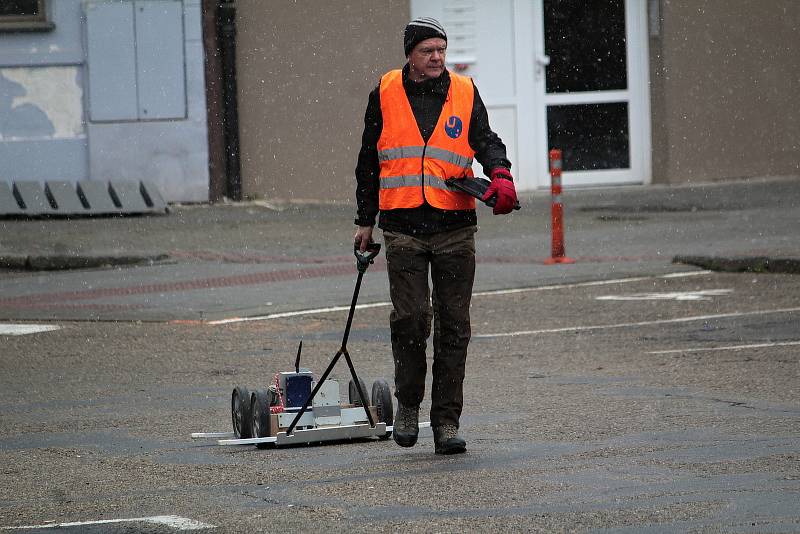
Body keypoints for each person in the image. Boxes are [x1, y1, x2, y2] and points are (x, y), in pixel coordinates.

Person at [353, 17, 517, 454]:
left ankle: (446, 422)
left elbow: (486, 140)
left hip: (454, 228)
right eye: (428, 50)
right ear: (410, 54)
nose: (437, 58)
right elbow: (369, 158)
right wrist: (364, 219)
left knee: (454, 327)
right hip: (403, 227)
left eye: (441, 50)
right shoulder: (385, 92)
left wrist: (500, 172)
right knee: (410, 321)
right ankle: (408, 405)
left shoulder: (464, 91)